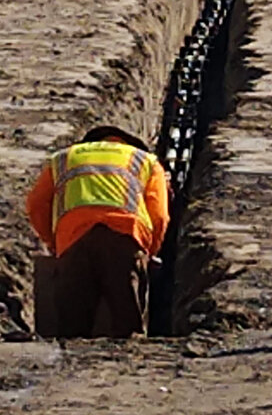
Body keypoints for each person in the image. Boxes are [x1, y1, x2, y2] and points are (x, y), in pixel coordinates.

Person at [26, 125, 170, 338]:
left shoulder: (62, 159)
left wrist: (56, 244)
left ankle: (66, 364)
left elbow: (36, 204)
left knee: (72, 328)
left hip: (73, 240)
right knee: (127, 323)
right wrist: (149, 250)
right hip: (125, 237)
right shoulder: (145, 161)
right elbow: (159, 214)